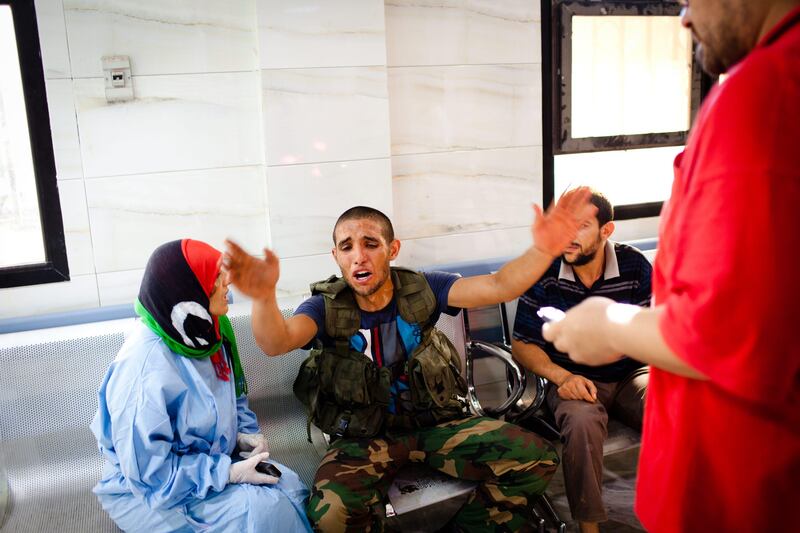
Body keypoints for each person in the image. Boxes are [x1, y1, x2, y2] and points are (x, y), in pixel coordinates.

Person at [541, 1, 800, 531]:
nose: (683, 18)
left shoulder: (765, 92)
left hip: (740, 491)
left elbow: (729, 333)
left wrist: (607, 324)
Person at [224, 190, 597, 532]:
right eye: (347, 246)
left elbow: (500, 286)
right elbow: (277, 342)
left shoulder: (424, 288)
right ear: (336, 256)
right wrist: (263, 297)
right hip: (362, 439)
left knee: (535, 459)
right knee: (332, 515)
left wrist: (544, 249)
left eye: (371, 244)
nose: (359, 255)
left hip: (437, 424)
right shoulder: (324, 308)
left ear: (392, 248)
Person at [91, 239, 312, 533]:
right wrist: (228, 473)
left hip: (211, 463)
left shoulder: (204, 333)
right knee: (261, 515)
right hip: (154, 492)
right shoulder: (143, 370)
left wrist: (245, 433)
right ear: (187, 295)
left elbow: (234, 397)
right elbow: (150, 476)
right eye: (217, 278)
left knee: (292, 490)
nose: (228, 282)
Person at [511, 190, 651, 533]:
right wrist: (562, 377)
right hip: (573, 377)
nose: (568, 237)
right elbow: (521, 345)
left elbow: (649, 331)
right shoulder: (544, 271)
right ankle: (589, 529)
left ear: (607, 231)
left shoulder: (634, 265)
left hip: (632, 372)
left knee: (672, 406)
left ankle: (681, 511)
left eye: (582, 226)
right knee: (581, 421)